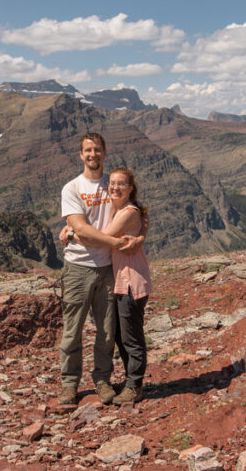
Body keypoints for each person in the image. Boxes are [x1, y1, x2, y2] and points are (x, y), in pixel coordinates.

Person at [57, 133, 143, 406]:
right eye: (87, 150)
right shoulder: (71, 188)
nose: (92, 155)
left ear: (104, 153)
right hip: (77, 267)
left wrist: (141, 237)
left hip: (107, 268)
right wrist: (110, 241)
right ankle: (69, 385)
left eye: (97, 150)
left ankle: (102, 381)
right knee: (73, 330)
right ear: (81, 155)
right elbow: (79, 227)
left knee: (106, 332)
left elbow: (136, 209)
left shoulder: (114, 184)